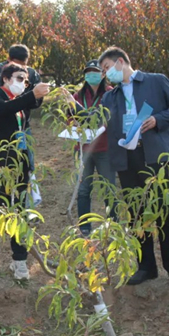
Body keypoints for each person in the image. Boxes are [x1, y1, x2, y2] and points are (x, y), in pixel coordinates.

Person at [98, 46, 169, 294]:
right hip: (127, 159)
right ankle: (146, 266)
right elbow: (101, 120)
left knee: (164, 212)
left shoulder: (155, 81)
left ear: (120, 62)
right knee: (136, 214)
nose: (106, 75)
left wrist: (158, 119)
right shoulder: (110, 96)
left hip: (154, 156)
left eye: (107, 68)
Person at [0, 63, 51, 280]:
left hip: (18, 164)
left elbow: (32, 103)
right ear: (6, 78)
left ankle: (19, 262)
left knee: (19, 212)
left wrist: (40, 93)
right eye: (19, 78)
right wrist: (31, 95)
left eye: (25, 81)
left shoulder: (21, 101)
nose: (23, 84)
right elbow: (2, 109)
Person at [62, 59, 116, 235]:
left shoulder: (110, 93)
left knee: (108, 188)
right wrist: (74, 125)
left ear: (103, 74)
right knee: (84, 188)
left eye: (96, 72)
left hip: (104, 148)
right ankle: (84, 227)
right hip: (83, 149)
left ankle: (113, 224)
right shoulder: (78, 96)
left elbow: (107, 118)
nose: (91, 75)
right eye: (88, 72)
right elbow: (70, 117)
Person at [0, 44, 43, 172]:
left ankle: (27, 179)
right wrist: (5, 93)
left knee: (25, 159)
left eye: (24, 65)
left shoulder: (31, 73)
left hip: (21, 125)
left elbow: (36, 101)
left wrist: (26, 99)